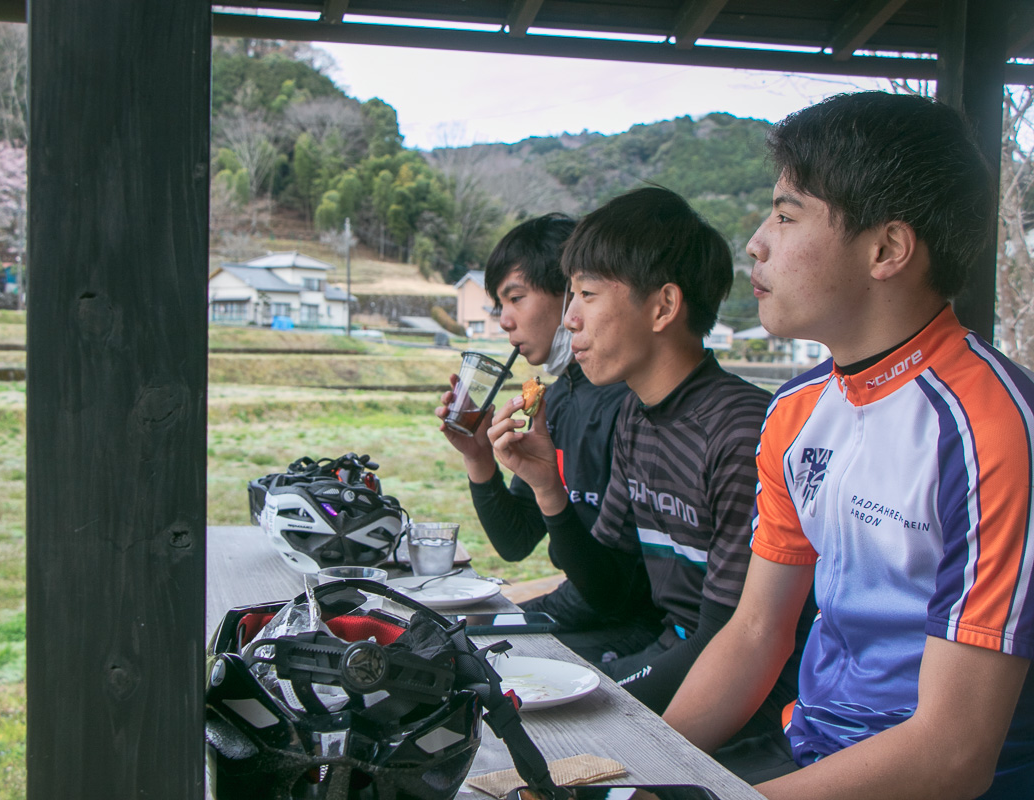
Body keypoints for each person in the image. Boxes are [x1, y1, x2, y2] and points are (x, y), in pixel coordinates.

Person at [661, 91, 1034, 799]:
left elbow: (953, 754)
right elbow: (755, 634)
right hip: (808, 755)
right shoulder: (797, 411)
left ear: (887, 248)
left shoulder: (994, 430)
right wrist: (645, 774)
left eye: (785, 214)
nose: (756, 242)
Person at [487, 189, 806, 772]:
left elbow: (728, 637)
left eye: (585, 294)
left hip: (748, 700)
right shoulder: (637, 415)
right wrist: (547, 490)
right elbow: (606, 586)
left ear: (662, 308)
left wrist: (617, 718)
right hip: (672, 651)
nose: (569, 319)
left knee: (532, 735)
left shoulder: (739, 431)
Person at [436, 213, 638, 663]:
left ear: (570, 292)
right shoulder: (558, 397)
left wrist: (499, 622)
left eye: (516, 299)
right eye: (499, 305)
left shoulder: (625, 403)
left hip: (620, 623)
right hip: (586, 608)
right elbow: (517, 541)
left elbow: (615, 592)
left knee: (464, 652)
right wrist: (479, 459)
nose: (505, 321)